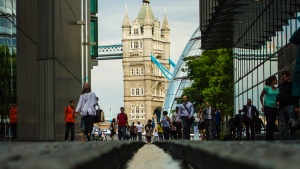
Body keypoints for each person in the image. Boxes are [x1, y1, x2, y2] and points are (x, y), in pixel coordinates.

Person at [277, 71, 299, 140]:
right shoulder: (280, 86)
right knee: (283, 123)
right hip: (282, 106)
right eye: (282, 77)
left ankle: (292, 137)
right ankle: (284, 138)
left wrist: (296, 106)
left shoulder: (293, 85)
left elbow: (296, 96)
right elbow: (277, 95)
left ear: (288, 77)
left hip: (290, 106)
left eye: (284, 77)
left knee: (292, 122)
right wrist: (277, 101)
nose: (282, 78)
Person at [260, 76, 279, 141]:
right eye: (275, 80)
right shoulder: (267, 88)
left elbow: (279, 97)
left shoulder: (277, 89)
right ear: (272, 81)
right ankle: (268, 137)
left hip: (274, 107)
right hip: (267, 106)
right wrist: (262, 105)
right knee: (269, 121)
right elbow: (261, 96)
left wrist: (278, 102)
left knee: (273, 122)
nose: (276, 81)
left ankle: (272, 136)